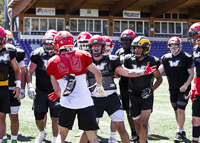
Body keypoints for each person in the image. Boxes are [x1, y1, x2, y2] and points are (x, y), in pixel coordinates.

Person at [79, 35, 157, 143]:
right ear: (90, 47)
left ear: (103, 47)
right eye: (93, 46)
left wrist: (142, 72)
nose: (96, 48)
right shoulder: (85, 60)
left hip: (111, 98)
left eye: (98, 46)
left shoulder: (111, 60)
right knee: (88, 129)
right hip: (94, 98)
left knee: (121, 128)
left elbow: (126, 72)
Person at [46, 31, 103, 143]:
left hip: (67, 102)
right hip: (85, 101)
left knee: (61, 134)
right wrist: (99, 87)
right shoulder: (82, 55)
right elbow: (98, 73)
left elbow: (57, 90)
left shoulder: (52, 61)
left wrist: (64, 97)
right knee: (92, 136)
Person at [124, 36, 162, 143]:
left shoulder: (152, 61)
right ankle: (142, 140)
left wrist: (151, 89)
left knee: (144, 122)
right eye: (135, 48)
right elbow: (122, 71)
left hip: (146, 95)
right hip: (133, 95)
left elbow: (159, 78)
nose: (137, 50)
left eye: (139, 48)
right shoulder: (128, 60)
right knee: (137, 124)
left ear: (146, 48)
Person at [26, 30, 59, 143]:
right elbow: (29, 71)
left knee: (56, 118)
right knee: (39, 117)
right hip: (41, 90)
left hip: (56, 90)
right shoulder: (37, 54)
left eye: (51, 43)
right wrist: (30, 86)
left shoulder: (61, 54)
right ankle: (42, 133)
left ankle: (55, 139)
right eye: (46, 43)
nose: (48, 46)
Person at [159, 37, 194, 142]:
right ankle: (182, 130)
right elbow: (159, 70)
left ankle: (178, 131)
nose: (173, 47)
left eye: (175, 45)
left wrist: (186, 85)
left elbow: (191, 73)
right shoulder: (166, 57)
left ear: (180, 46)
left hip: (183, 88)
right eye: (171, 45)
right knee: (176, 110)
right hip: (172, 88)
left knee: (180, 109)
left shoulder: (186, 57)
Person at [2, 30, 26, 143]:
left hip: (11, 86)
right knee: (1, 116)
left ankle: (14, 140)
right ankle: (3, 138)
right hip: (2, 87)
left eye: (10, 40)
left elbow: (21, 70)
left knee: (14, 116)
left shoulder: (14, 52)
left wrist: (20, 86)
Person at [115, 29, 138, 141]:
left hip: (136, 84)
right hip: (124, 84)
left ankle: (141, 129)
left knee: (138, 109)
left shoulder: (137, 51)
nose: (124, 43)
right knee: (128, 109)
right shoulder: (119, 52)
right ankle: (133, 131)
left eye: (127, 41)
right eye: (123, 41)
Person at [188, 22, 200, 143]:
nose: (193, 38)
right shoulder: (195, 48)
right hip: (198, 89)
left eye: (194, 35)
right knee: (195, 120)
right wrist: (193, 87)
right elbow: (196, 69)